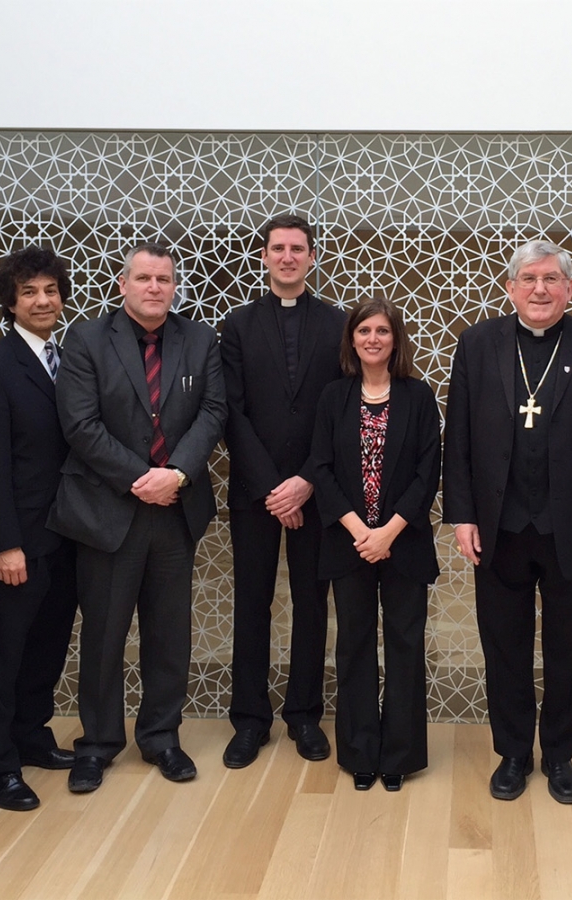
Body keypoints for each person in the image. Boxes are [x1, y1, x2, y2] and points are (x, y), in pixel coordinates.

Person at [443, 239, 572, 804]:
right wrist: (461, 515)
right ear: (510, 287)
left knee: (570, 646)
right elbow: (459, 437)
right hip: (498, 525)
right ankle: (512, 752)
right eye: (528, 279)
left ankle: (558, 754)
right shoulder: (478, 343)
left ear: (570, 288)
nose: (540, 289)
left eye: (552, 279)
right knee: (503, 642)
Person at [48, 242, 226, 792]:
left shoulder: (200, 340)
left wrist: (176, 474)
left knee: (169, 632)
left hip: (175, 508)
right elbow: (79, 425)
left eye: (165, 280)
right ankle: (98, 744)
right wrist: (139, 478)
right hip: (108, 510)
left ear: (176, 288)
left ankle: (161, 737)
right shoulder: (86, 339)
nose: (155, 288)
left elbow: (213, 412)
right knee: (103, 632)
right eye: (145, 278)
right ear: (122, 284)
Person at [220, 214, 347, 767]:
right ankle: (250, 720)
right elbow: (231, 411)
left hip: (315, 491)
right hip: (255, 491)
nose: (288, 256)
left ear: (313, 257)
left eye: (298, 248)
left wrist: (304, 482)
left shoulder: (340, 323)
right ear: (265, 257)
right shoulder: (238, 324)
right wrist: (274, 486)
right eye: (278, 248)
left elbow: (340, 413)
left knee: (311, 605)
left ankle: (304, 716)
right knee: (252, 602)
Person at [309, 297, 441, 792]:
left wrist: (387, 532)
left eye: (382, 331)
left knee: (405, 646)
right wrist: (360, 531)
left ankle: (399, 757)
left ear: (395, 339)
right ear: (352, 339)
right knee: (355, 646)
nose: (372, 339)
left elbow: (429, 472)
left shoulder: (418, 396)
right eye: (364, 330)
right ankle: (361, 752)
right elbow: (320, 468)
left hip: (403, 543)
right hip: (349, 544)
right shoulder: (333, 397)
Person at [0, 246, 78, 811]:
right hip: (22, 540)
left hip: (69, 536)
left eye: (51, 290)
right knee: (2, 652)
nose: (43, 300)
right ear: (10, 301)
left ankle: (31, 737)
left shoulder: (70, 359)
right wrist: (5, 544)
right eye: (30, 292)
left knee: (47, 646)